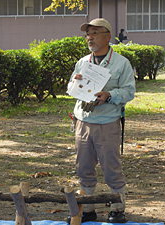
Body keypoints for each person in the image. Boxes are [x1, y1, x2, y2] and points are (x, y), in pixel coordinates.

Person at [67, 18, 135, 223]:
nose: (89, 37)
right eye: (88, 34)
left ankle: (117, 208)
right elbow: (71, 85)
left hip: (107, 122)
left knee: (111, 166)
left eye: (95, 33)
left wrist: (110, 95)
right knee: (83, 167)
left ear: (107, 36)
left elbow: (129, 91)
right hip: (83, 120)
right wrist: (75, 83)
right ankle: (87, 209)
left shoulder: (121, 63)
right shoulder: (83, 62)